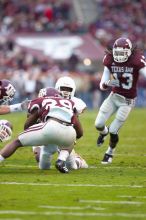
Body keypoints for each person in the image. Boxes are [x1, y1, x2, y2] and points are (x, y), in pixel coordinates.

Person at [0, 88, 83, 173]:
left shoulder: (41, 100)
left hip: (50, 127)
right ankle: (61, 160)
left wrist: (36, 117)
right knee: (71, 142)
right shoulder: (70, 103)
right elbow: (80, 133)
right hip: (69, 132)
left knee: (17, 142)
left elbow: (27, 126)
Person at [95, 37, 146, 164]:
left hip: (127, 101)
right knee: (98, 124)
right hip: (114, 96)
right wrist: (106, 84)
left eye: (122, 53)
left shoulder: (136, 60)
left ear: (129, 52)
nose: (119, 56)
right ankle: (103, 133)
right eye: (117, 53)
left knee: (113, 130)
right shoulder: (109, 59)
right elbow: (102, 84)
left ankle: (109, 152)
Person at [33, 76, 88, 170]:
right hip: (44, 133)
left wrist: (72, 139)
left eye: (68, 89)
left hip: (63, 133)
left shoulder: (76, 103)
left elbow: (76, 126)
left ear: (73, 90)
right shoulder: (47, 98)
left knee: (72, 167)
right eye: (63, 88)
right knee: (40, 159)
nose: (66, 91)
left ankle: (78, 161)